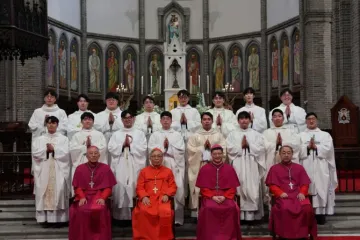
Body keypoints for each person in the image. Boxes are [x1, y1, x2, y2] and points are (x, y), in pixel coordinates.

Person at [266, 145, 317, 239]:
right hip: (283, 196)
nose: (286, 155)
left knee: (306, 207)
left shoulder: (299, 167)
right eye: (283, 153)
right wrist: (279, 193)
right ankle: (285, 234)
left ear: (292, 154)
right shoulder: (274, 168)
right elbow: (272, 185)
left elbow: (305, 184)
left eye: (288, 153)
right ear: (280, 155)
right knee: (284, 208)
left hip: (298, 195)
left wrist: (302, 192)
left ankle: (302, 233)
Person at [69, 146, 117, 240]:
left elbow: (108, 187)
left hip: (99, 195)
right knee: (81, 210)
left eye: (95, 153)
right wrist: (82, 197)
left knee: (100, 209)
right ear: (86, 156)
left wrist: (103, 198)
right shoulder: (80, 168)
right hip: (84, 195)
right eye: (91, 153)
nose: (93, 155)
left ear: (99, 155)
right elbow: (77, 187)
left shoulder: (105, 168)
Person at [227, 111, 266, 221]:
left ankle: (251, 217)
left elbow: (261, 149)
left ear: (250, 120)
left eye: (246, 118)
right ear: (238, 121)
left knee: (252, 187)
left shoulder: (256, 134)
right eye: (241, 119)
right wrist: (241, 147)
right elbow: (229, 148)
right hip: (238, 162)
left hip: (251, 163)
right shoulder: (232, 134)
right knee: (239, 186)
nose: (244, 121)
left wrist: (249, 146)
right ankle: (239, 215)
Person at [299, 112, 338, 225]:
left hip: (321, 166)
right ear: (306, 121)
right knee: (307, 188)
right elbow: (296, 151)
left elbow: (329, 150)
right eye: (309, 119)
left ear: (317, 120)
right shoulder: (300, 135)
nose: (311, 121)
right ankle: (306, 214)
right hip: (305, 165)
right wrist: (307, 147)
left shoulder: (325, 135)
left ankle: (320, 214)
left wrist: (316, 147)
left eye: (313, 119)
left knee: (321, 188)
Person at [196, 144, 241, 240]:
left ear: (222, 154)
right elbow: (203, 188)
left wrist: (225, 196)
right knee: (208, 207)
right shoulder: (204, 169)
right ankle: (210, 237)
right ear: (211, 155)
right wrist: (212, 196)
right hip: (210, 196)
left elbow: (232, 187)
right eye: (215, 154)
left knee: (232, 207)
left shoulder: (229, 168)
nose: (217, 156)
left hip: (226, 196)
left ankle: (229, 237)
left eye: (219, 154)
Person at [108, 110, 147, 220]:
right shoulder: (116, 134)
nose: (128, 120)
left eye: (130, 117)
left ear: (134, 119)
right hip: (120, 164)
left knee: (134, 186)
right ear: (121, 120)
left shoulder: (140, 133)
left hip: (134, 164)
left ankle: (135, 215)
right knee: (120, 186)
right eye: (125, 118)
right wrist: (122, 145)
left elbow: (143, 148)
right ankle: (120, 217)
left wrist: (130, 146)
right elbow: (111, 148)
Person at [148, 111, 185, 225]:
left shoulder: (177, 134)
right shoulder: (155, 135)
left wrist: (169, 148)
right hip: (160, 165)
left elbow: (181, 150)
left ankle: (177, 219)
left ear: (171, 120)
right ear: (160, 121)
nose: (165, 120)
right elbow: (150, 150)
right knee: (158, 189)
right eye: (163, 118)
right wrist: (163, 148)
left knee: (176, 187)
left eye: (167, 118)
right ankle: (159, 215)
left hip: (174, 164)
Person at [31, 116, 70, 226]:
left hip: (58, 169)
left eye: (53, 123)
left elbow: (67, 153)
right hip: (44, 169)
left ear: (57, 125)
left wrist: (54, 150)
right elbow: (35, 154)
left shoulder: (64, 139)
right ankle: (44, 220)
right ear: (46, 125)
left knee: (59, 191)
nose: (51, 125)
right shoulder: (39, 139)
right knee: (43, 191)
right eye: (49, 123)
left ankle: (59, 220)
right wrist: (46, 150)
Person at [132, 148, 177, 240]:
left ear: (162, 158)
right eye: (154, 156)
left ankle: (163, 237)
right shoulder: (144, 171)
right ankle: (146, 237)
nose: (156, 158)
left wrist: (167, 195)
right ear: (150, 158)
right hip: (148, 199)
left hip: (162, 199)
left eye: (159, 156)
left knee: (165, 212)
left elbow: (173, 186)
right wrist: (143, 196)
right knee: (142, 211)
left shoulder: (168, 171)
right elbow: (139, 187)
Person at [187, 112, 226, 217]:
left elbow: (223, 150)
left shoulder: (218, 135)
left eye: (209, 119)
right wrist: (202, 149)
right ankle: (197, 213)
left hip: (214, 167)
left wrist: (212, 150)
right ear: (201, 121)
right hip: (199, 165)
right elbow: (190, 151)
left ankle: (216, 209)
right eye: (204, 119)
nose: (207, 121)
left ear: (212, 121)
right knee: (199, 188)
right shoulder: (195, 135)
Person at [263, 109, 301, 204]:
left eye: (279, 116)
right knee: (273, 187)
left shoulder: (290, 132)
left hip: (287, 165)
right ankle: (273, 212)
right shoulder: (266, 133)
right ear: (271, 119)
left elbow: (296, 145)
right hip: (272, 162)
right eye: (274, 116)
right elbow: (262, 147)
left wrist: (282, 143)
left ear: (283, 118)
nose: (277, 118)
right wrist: (275, 145)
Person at [69, 112, 107, 190]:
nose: (87, 121)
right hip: (82, 163)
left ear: (93, 122)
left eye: (90, 119)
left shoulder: (99, 134)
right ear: (81, 122)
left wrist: (91, 147)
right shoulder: (76, 135)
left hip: (96, 166)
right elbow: (72, 150)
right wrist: (85, 147)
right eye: (85, 119)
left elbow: (103, 148)